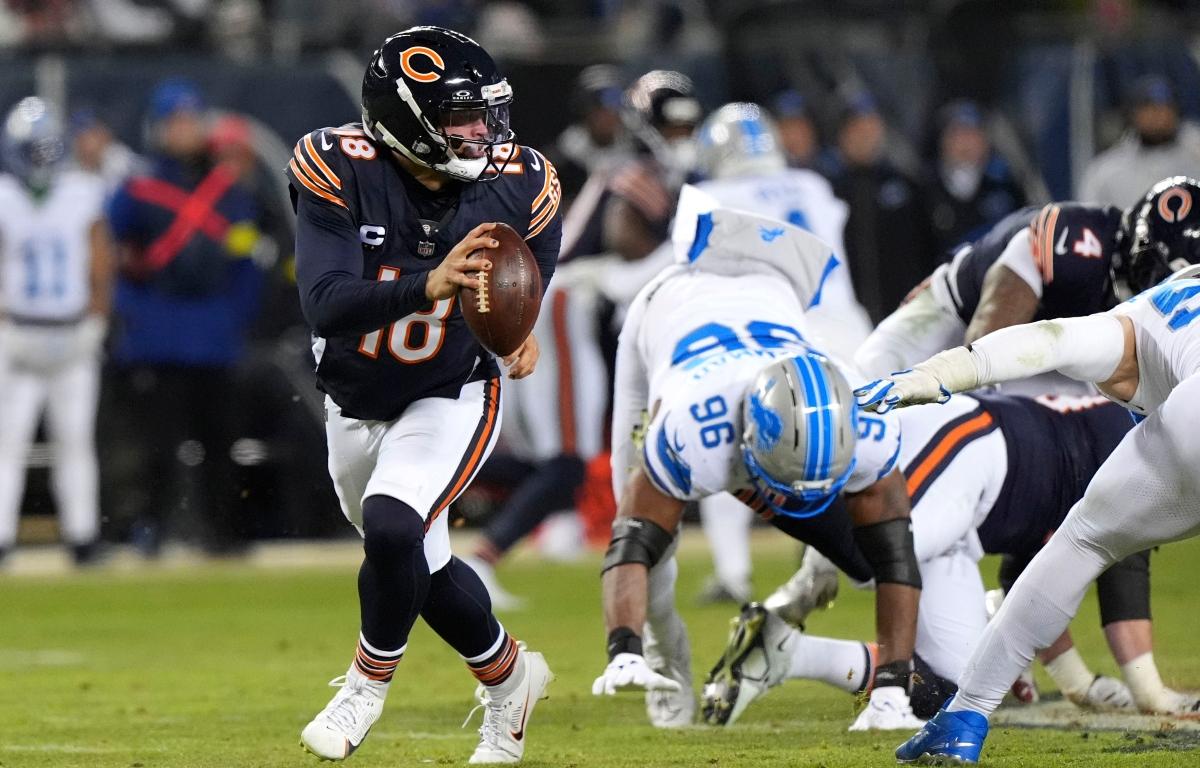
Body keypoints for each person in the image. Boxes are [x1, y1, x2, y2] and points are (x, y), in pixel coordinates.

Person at [853, 176, 1200, 764]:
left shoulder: (1144, 317)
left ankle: (965, 716)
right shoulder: (1078, 248)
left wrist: (938, 373)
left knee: (1079, 542)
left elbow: (1047, 341)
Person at [287, 27, 561, 764]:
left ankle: (364, 688)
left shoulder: (522, 181)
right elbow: (325, 303)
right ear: (406, 121)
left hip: (452, 389)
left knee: (392, 527)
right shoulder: (338, 165)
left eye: (486, 115)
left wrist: (519, 324)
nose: (482, 134)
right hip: (354, 398)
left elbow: (532, 268)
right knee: (420, 564)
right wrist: (428, 283)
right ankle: (510, 679)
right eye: (461, 119)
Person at [592, 203, 924, 732]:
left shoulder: (867, 420)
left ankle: (814, 600)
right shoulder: (692, 430)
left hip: (771, 287)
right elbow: (632, 545)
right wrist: (622, 646)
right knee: (646, 538)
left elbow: (895, 558)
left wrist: (891, 690)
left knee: (873, 552)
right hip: (665, 310)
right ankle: (662, 650)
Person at [702, 392, 1196, 727]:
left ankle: (783, 651)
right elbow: (1125, 574)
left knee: (961, 688)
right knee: (878, 558)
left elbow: (1035, 577)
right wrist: (1150, 692)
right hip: (974, 442)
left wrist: (1077, 682)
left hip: (969, 504)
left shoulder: (1129, 441)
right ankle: (786, 570)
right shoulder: (1139, 440)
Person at [687, 102, 873, 605]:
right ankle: (884, 560)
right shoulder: (811, 185)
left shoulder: (714, 196)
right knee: (868, 452)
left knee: (731, 442)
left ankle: (734, 573)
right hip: (851, 329)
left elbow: (689, 264)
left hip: (781, 333)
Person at [106, 78, 264, 556]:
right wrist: (133, 312)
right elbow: (109, 254)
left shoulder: (227, 189)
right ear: (158, 128)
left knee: (219, 440)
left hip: (213, 330)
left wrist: (235, 315)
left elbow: (246, 256)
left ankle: (221, 532)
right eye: (175, 122)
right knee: (157, 443)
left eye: (191, 121)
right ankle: (151, 527)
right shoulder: (138, 188)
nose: (184, 130)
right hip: (158, 329)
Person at [855, 198, 1127, 396]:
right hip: (955, 322)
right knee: (872, 393)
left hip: (1043, 365)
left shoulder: (1146, 295)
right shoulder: (1074, 239)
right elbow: (982, 347)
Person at [0, 97, 113, 566]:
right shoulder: (5, 194)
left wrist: (98, 316)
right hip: (18, 332)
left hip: (70, 330)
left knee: (75, 439)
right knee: (8, 440)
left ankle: (82, 536)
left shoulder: (82, 191)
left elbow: (100, 257)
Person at [824, 91, 937, 323]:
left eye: (872, 128)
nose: (866, 137)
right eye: (858, 129)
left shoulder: (904, 184)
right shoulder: (825, 186)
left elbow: (925, 248)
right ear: (843, 134)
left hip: (899, 311)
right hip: (845, 314)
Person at [1078, 75, 1200, 209]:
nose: (1157, 115)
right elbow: (1089, 214)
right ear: (1133, 114)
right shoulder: (1107, 171)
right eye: (1148, 108)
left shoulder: (1194, 156)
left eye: (1164, 108)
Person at [926, 100, 1026, 256]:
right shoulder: (924, 188)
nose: (966, 143)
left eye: (972, 134)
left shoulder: (1007, 185)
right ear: (944, 141)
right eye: (958, 135)